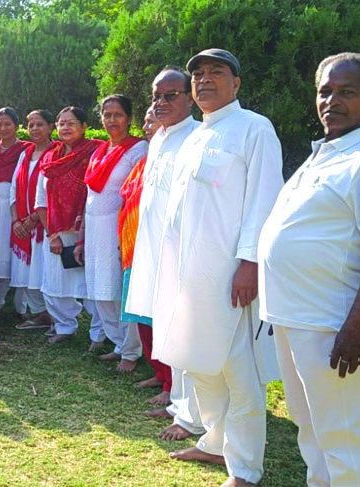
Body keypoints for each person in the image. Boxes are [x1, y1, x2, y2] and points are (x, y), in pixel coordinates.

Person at [259, 52, 360, 487]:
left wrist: (357, 326)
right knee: (313, 431)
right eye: (325, 91)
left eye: (347, 92)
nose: (332, 101)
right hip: (295, 318)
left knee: (343, 437)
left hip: (333, 324)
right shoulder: (324, 155)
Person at [155, 49, 283, 487]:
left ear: (236, 83)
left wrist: (249, 263)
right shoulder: (193, 137)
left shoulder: (254, 130)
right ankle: (213, 443)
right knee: (198, 364)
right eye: (198, 75)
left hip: (231, 277)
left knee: (239, 374)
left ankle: (245, 469)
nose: (205, 80)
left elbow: (265, 200)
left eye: (216, 73)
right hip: (188, 276)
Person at [126, 67, 206, 442]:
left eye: (170, 95)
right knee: (162, 324)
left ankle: (192, 411)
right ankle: (177, 402)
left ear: (190, 97)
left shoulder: (196, 137)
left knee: (183, 330)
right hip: (152, 248)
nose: (161, 102)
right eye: (156, 96)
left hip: (180, 253)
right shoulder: (158, 140)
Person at [74, 95, 147, 371]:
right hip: (94, 229)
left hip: (119, 230)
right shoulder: (100, 151)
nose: (112, 120)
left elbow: (137, 192)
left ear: (128, 118)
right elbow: (90, 194)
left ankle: (132, 351)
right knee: (100, 290)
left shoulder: (138, 149)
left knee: (120, 289)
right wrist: (81, 235)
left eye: (118, 114)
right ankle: (118, 343)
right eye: (107, 115)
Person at [31, 107, 101, 346]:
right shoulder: (51, 157)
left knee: (92, 284)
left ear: (84, 126)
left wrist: (82, 232)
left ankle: (99, 333)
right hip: (56, 232)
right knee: (54, 283)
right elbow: (41, 200)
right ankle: (64, 326)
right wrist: (53, 234)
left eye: (72, 123)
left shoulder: (96, 153)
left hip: (89, 229)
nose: (66, 127)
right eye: (61, 123)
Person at [119, 107, 170, 403]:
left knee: (161, 318)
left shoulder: (175, 156)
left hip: (158, 251)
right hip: (133, 250)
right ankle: (159, 372)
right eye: (148, 120)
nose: (150, 125)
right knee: (142, 317)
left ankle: (171, 385)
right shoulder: (144, 161)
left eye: (156, 119)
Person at [10, 110, 58, 330]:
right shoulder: (25, 154)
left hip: (44, 225)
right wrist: (16, 222)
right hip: (22, 226)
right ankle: (39, 312)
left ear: (51, 127)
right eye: (31, 125)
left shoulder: (57, 152)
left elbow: (53, 193)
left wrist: (33, 219)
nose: (35, 129)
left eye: (40, 124)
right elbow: (14, 189)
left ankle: (53, 313)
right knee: (28, 271)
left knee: (44, 270)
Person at [0, 107, 32, 312]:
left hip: (18, 208)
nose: (2, 128)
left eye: (7, 124)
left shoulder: (26, 150)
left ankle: (24, 305)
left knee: (18, 252)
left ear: (17, 126)